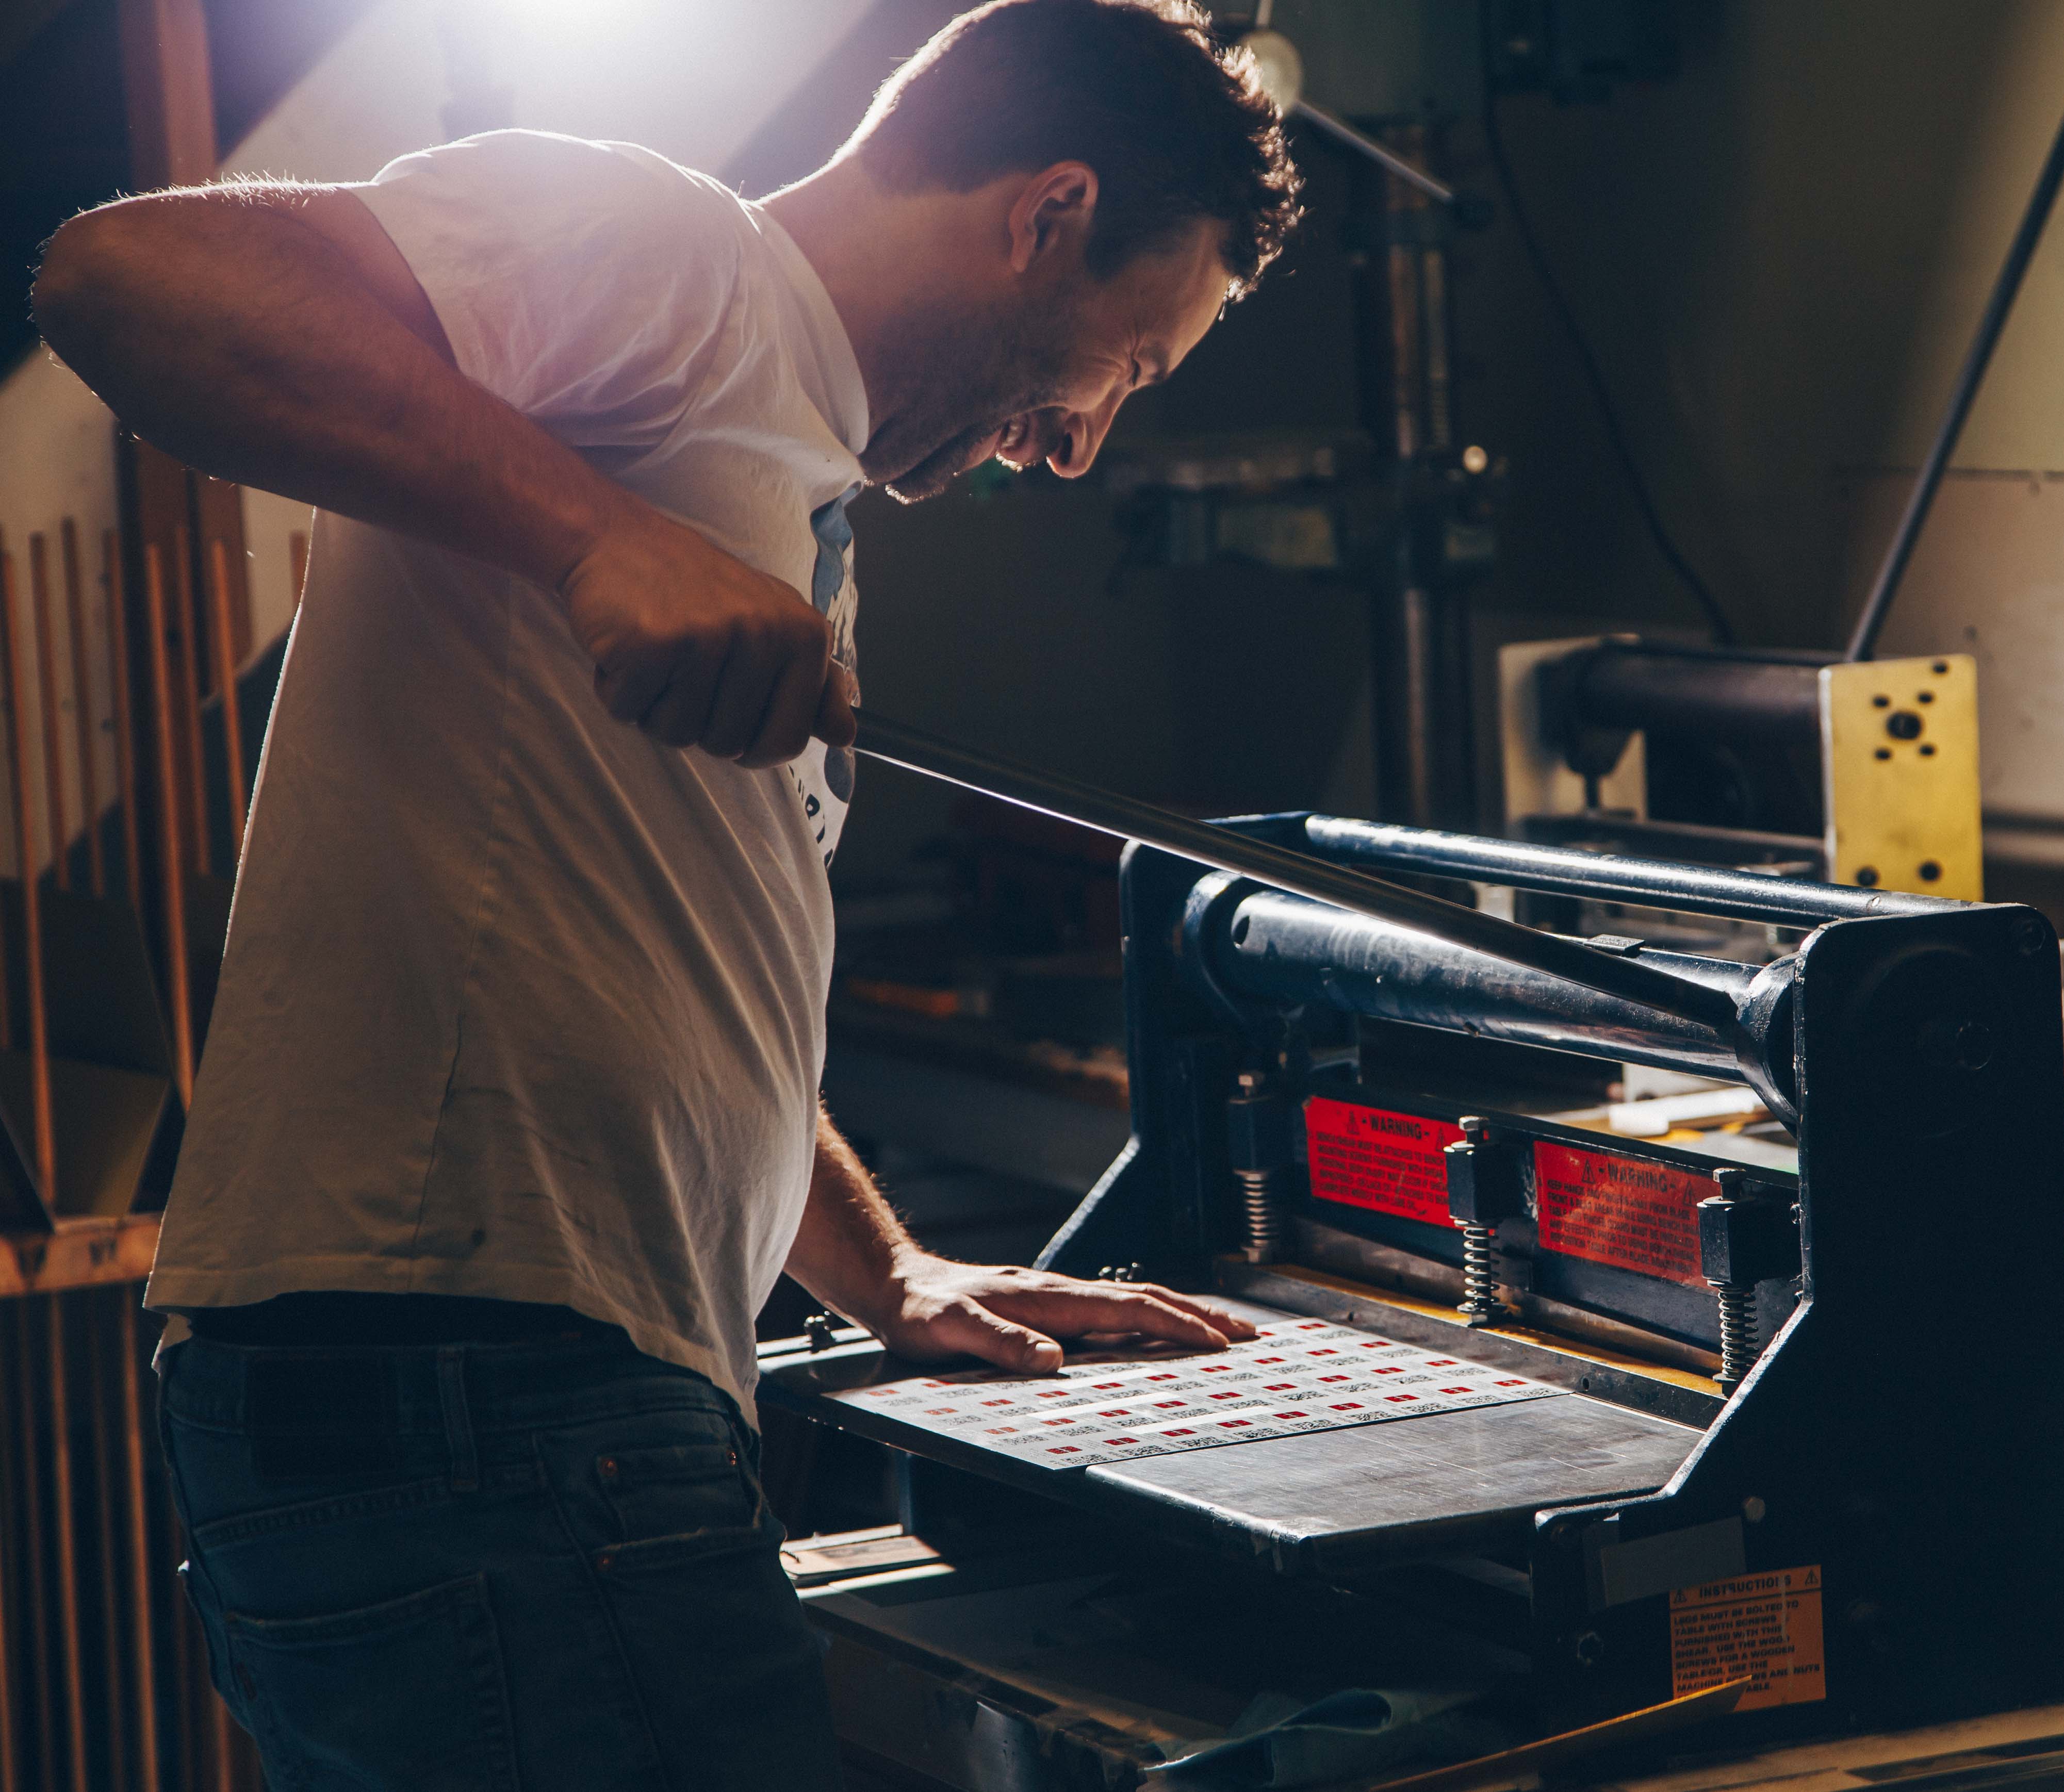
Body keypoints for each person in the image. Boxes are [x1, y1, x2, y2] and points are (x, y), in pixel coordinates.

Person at [31, 0, 1302, 1783]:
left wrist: (891, 1270)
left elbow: (671, 972)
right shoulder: (682, 260)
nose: (1076, 440)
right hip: (480, 1388)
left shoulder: (782, 461)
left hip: (524, 1393)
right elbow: (125, 275)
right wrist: (597, 538)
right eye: (1126, 362)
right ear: (1046, 214)